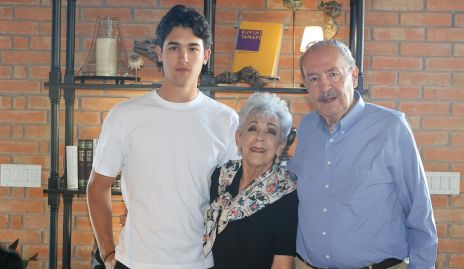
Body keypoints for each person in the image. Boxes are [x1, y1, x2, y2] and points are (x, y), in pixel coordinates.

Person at [87, 5, 239, 269]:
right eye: (173, 48)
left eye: (193, 48)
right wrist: (108, 253)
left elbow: (231, 197)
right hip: (135, 261)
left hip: (199, 263)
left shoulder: (225, 120)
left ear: (206, 56)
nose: (183, 57)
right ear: (159, 53)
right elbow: (97, 186)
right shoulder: (125, 115)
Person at [290, 40, 438, 269]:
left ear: (354, 74)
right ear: (306, 86)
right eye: (313, 78)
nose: (325, 86)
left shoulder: (391, 127)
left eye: (333, 73)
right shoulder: (307, 128)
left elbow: (419, 213)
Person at [203, 92, 298, 269]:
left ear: (280, 145)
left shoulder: (286, 192)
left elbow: (281, 264)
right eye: (252, 128)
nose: (260, 137)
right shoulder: (220, 176)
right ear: (239, 138)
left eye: (271, 131)